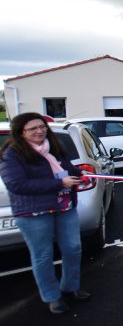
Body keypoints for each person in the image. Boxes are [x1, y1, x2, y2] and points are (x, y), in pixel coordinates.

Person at [0, 113, 91, 314]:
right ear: (21, 132)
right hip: (33, 213)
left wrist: (79, 174)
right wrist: (59, 183)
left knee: (73, 248)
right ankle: (52, 296)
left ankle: (71, 287)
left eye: (42, 127)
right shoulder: (12, 154)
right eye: (32, 129)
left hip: (64, 206)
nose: (40, 131)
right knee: (43, 255)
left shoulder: (54, 147)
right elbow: (16, 185)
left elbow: (66, 168)